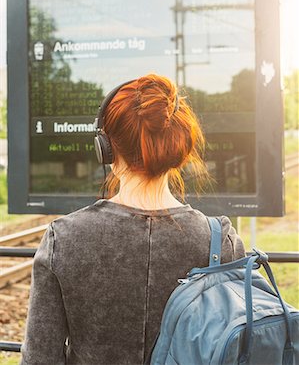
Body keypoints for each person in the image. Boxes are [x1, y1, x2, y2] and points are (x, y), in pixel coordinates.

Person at [20, 73, 246, 365]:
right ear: (179, 149)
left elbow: (40, 358)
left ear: (106, 148)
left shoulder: (63, 239)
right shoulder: (220, 241)